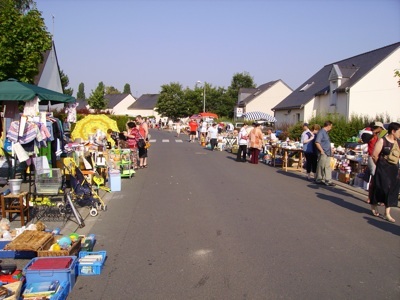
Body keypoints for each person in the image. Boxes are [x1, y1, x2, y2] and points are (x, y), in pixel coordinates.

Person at [369, 122, 400, 222]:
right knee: (381, 187)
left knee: (391, 190)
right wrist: (380, 166)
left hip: (394, 168)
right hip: (382, 168)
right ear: (393, 131)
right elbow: (374, 155)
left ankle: (387, 213)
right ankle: (374, 205)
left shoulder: (398, 142)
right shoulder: (382, 141)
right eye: (399, 131)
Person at [362, 121, 385, 204]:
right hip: (372, 157)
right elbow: (365, 139)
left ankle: (379, 198)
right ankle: (370, 197)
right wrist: (373, 133)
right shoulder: (370, 133)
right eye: (381, 128)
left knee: (379, 178)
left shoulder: (380, 136)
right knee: (374, 177)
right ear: (378, 128)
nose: (382, 130)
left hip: (379, 157)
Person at [315, 120, 335, 186]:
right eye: (331, 126)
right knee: (321, 166)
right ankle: (319, 179)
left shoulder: (326, 133)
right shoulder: (321, 132)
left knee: (327, 166)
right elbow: (317, 142)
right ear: (328, 125)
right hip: (323, 152)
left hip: (328, 152)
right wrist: (321, 151)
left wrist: (331, 149)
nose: (331, 128)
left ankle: (328, 180)